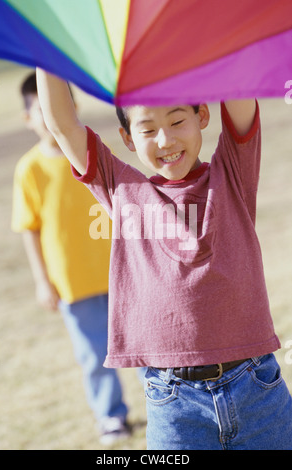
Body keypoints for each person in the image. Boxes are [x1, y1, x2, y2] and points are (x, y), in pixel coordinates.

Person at [35, 68, 292, 450]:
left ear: (202, 116)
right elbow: (61, 124)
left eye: (177, 120)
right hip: (174, 403)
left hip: (256, 389)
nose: (165, 139)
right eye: (148, 129)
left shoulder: (232, 175)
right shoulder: (122, 190)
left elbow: (239, 87)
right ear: (127, 138)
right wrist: (42, 49)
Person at [11, 72, 131, 446]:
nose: (49, 117)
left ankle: (163, 399)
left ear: (71, 106)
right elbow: (28, 228)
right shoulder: (29, 170)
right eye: (40, 111)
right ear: (29, 119)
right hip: (72, 283)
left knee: (140, 343)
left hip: (118, 272)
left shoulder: (90, 155)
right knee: (94, 356)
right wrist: (42, 281)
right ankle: (110, 416)